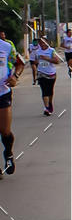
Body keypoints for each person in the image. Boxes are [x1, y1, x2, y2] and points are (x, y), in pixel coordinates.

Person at [0, 29, 24, 174]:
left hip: (2, 93)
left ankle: (8, 153)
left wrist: (15, 76)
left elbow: (20, 63)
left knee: (5, 131)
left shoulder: (6, 47)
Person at [34, 35, 60, 115]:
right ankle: (46, 107)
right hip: (41, 74)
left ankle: (50, 103)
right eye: (40, 43)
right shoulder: (37, 52)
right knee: (44, 91)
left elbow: (57, 61)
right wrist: (36, 64)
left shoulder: (51, 50)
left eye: (43, 42)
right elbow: (35, 62)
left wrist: (46, 58)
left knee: (50, 91)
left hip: (51, 74)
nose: (42, 44)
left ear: (47, 42)